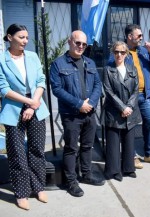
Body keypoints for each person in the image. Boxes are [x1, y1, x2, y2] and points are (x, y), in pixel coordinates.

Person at [0, 24, 50, 210]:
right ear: (10, 37)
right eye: (21, 37)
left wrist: (34, 102)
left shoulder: (33, 56)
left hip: (36, 105)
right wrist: (27, 103)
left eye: (27, 37)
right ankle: (21, 192)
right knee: (16, 153)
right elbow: (3, 88)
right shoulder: (1, 60)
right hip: (14, 107)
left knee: (37, 149)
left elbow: (40, 80)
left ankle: (38, 187)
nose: (25, 41)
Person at [50, 30, 104, 197]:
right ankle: (71, 181)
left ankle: (86, 174)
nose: (80, 46)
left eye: (84, 44)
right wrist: (79, 104)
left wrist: (91, 103)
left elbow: (97, 85)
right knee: (71, 148)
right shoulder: (58, 64)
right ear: (69, 41)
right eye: (77, 43)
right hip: (71, 114)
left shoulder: (90, 63)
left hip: (89, 113)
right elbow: (57, 89)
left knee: (88, 146)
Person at [124, 24, 150, 164]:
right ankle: (132, 156)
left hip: (145, 95)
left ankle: (149, 154)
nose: (141, 38)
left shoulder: (144, 50)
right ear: (130, 37)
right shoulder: (121, 51)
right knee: (131, 127)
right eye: (139, 35)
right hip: (131, 97)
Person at [102, 41, 140, 181]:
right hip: (114, 111)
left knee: (129, 142)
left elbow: (136, 90)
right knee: (113, 143)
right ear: (113, 53)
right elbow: (108, 91)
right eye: (116, 52)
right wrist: (122, 107)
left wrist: (129, 106)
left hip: (130, 112)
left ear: (126, 54)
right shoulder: (108, 69)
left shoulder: (132, 69)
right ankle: (113, 171)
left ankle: (128, 169)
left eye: (122, 52)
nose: (119, 55)